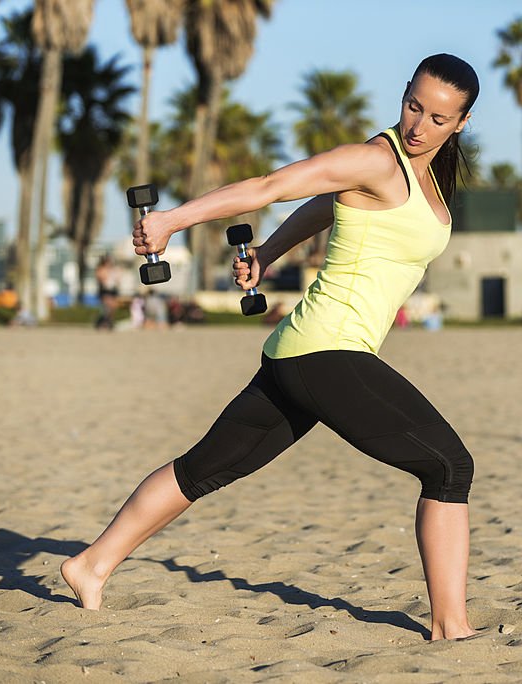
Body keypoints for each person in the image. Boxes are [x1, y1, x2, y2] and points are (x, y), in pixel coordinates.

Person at [61, 54, 481, 642]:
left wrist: (270, 254)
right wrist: (173, 221)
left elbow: (324, 204)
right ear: (405, 93)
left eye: (438, 118)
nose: (419, 125)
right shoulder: (375, 157)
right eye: (414, 105)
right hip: (328, 354)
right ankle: (451, 626)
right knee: (448, 466)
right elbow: (271, 187)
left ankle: (90, 565)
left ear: (460, 123)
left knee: (201, 469)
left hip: (300, 355)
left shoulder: (426, 175)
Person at [94, 254, 120, 331]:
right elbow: (101, 278)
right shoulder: (101, 269)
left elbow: (117, 279)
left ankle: (109, 322)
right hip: (105, 290)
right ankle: (102, 323)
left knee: (113, 307)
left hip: (112, 290)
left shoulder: (113, 269)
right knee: (107, 308)